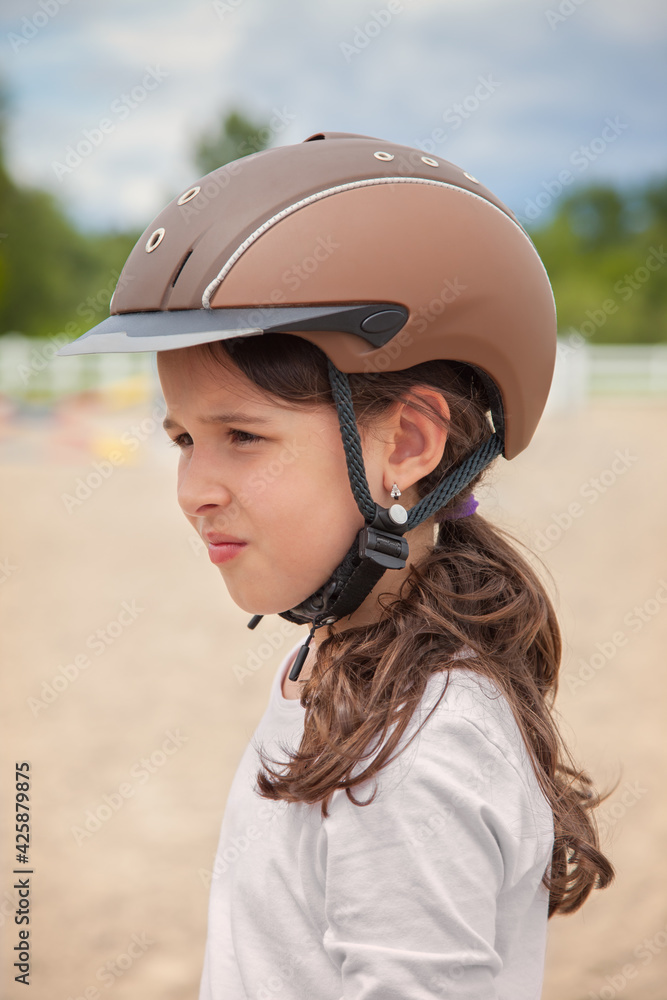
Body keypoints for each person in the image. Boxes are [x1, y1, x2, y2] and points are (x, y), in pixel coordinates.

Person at [58, 131, 614, 999]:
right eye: (181, 439)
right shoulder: (342, 660)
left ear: (410, 443)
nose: (193, 490)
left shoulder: (417, 750)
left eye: (241, 436)